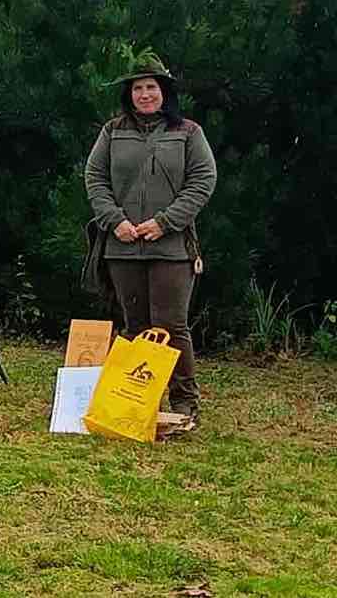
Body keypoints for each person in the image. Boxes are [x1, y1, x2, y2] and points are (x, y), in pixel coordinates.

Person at [84, 50, 215, 422]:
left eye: (151, 87)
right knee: (136, 327)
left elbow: (203, 180)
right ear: (129, 94)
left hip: (172, 248)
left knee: (171, 325)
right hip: (122, 247)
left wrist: (165, 222)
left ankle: (185, 400)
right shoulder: (112, 131)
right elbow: (95, 178)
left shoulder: (188, 132)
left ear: (164, 92)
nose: (144, 94)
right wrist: (114, 220)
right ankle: (139, 400)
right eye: (138, 88)